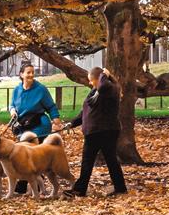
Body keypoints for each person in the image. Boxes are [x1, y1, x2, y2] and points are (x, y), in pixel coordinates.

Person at [55, 66, 128, 198]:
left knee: (95, 161)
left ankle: (80, 189)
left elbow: (103, 86)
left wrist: (104, 75)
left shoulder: (108, 89)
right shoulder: (96, 93)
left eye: (91, 80)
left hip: (103, 130)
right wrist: (72, 123)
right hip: (97, 131)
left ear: (98, 79)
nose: (90, 83)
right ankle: (119, 187)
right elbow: (85, 111)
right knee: (105, 160)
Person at [8, 62, 60, 193]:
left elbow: (51, 107)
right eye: (28, 72)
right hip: (23, 125)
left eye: (32, 72)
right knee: (22, 154)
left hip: (40, 125)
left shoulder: (41, 89)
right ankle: (28, 184)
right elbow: (11, 105)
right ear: (21, 74)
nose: (31, 74)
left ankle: (32, 185)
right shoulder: (17, 90)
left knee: (32, 155)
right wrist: (12, 111)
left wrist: (56, 121)